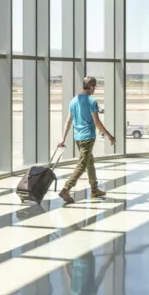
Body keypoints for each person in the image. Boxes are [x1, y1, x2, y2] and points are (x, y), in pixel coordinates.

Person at [57, 76, 115, 204]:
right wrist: (109, 136)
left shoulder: (73, 100)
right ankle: (66, 188)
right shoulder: (91, 101)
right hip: (88, 137)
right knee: (83, 164)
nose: (95, 89)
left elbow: (68, 121)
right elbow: (97, 122)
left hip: (78, 137)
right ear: (92, 86)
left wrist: (63, 138)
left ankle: (94, 189)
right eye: (95, 86)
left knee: (89, 162)